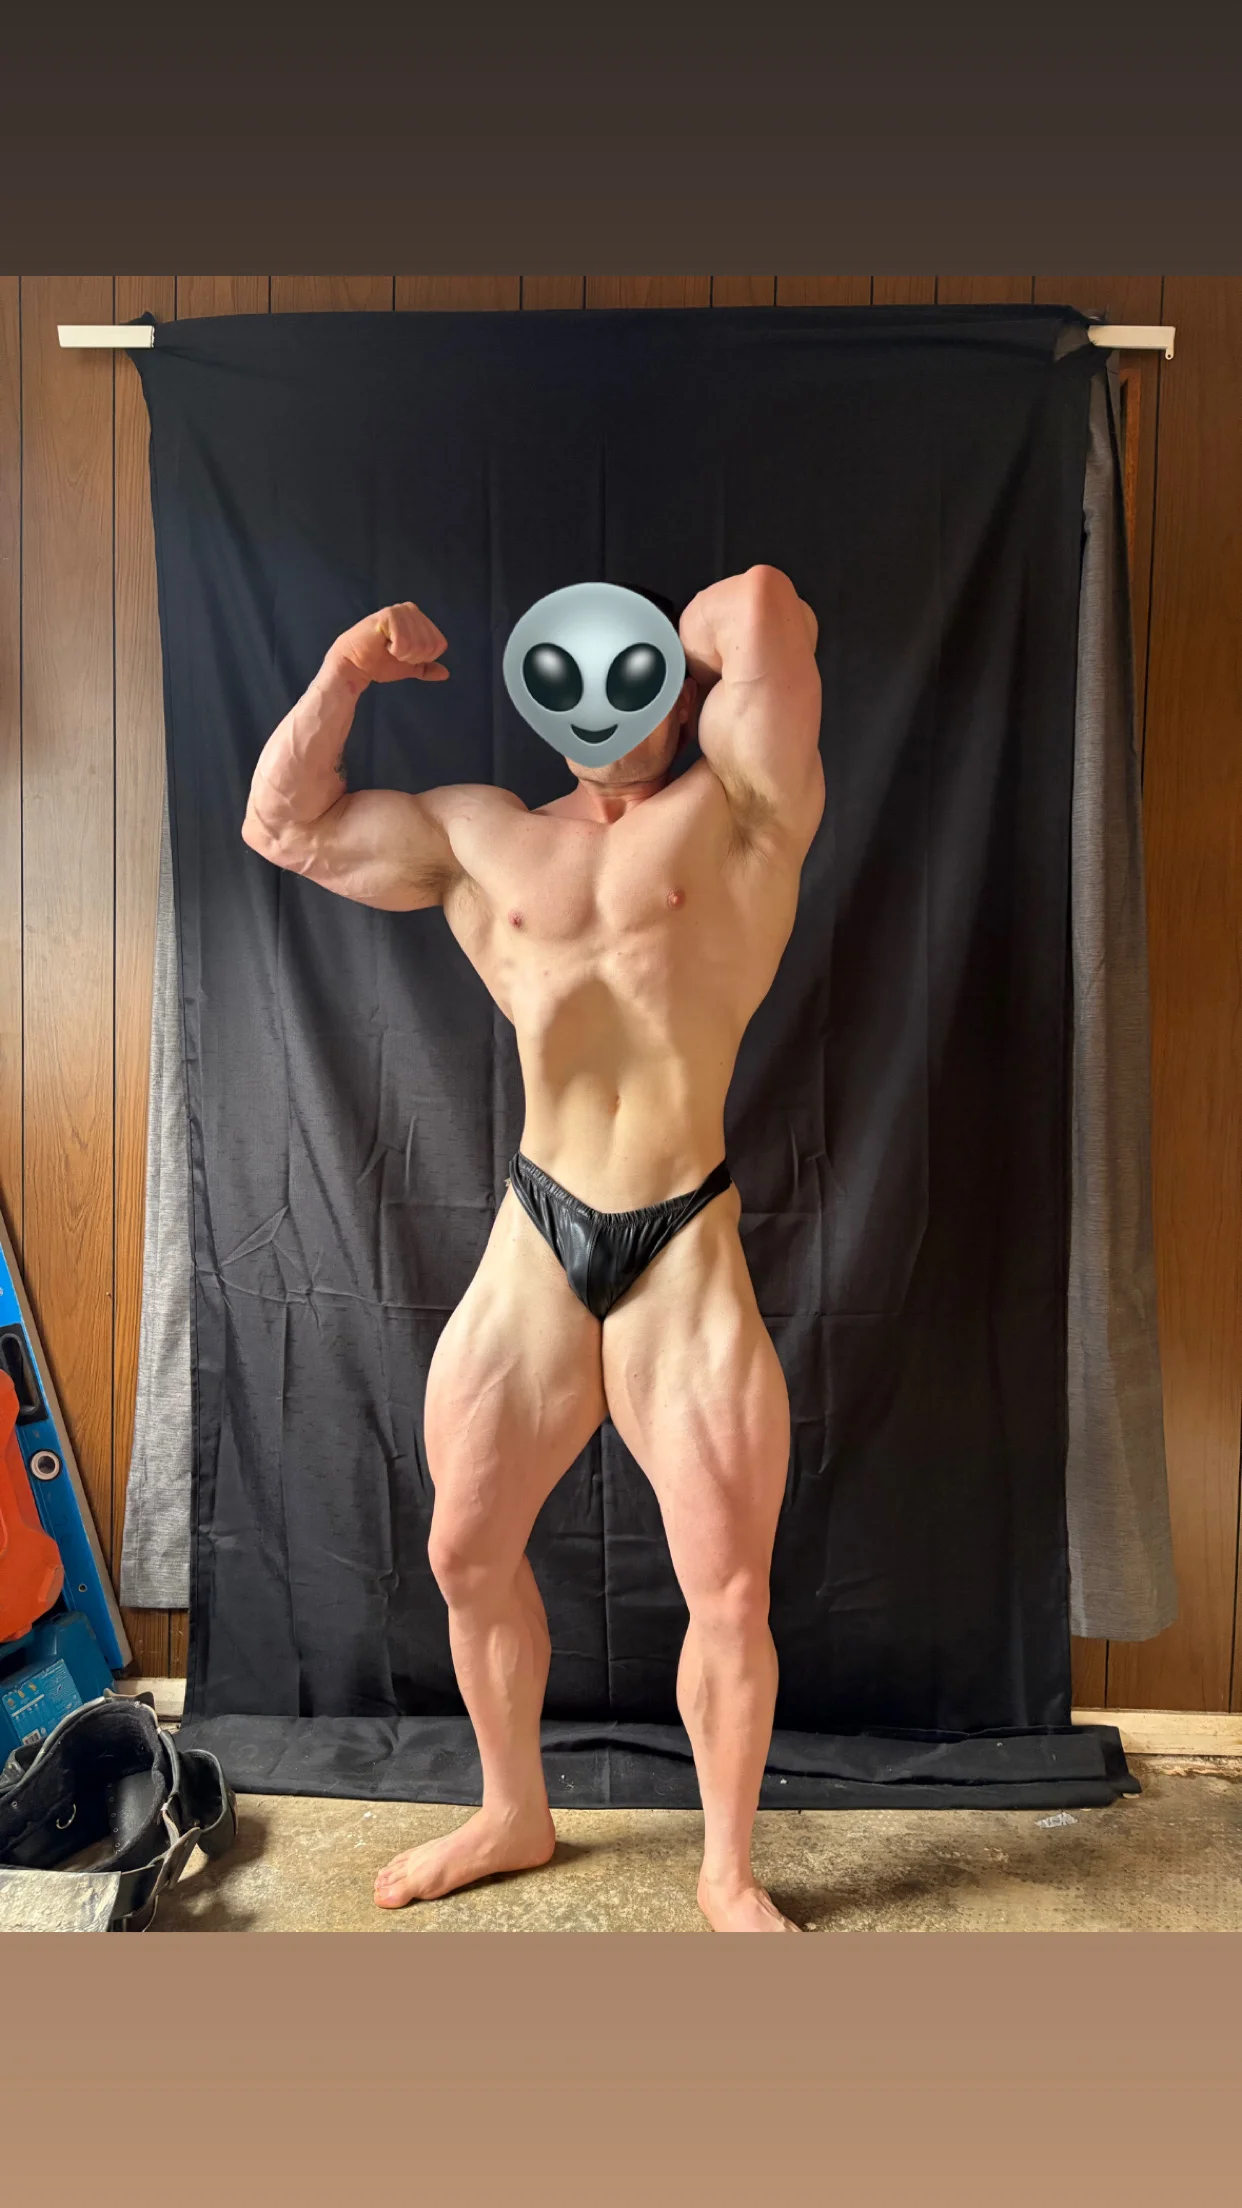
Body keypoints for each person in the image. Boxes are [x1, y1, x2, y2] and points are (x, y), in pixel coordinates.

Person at [241, 567, 824, 1931]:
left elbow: (760, 607)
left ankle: (726, 1874)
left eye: (634, 673)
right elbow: (284, 825)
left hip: (682, 1232)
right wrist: (346, 671)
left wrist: (671, 651)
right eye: (578, 674)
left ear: (678, 688)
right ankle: (512, 1810)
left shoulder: (745, 806)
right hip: (537, 1229)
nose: (610, 703)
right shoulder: (480, 834)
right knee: (463, 1551)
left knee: (729, 1588)